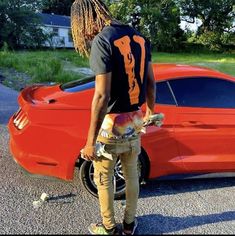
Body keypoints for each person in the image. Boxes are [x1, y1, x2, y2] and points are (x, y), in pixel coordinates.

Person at [71, 0, 156, 234]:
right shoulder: (139, 37)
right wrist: (149, 110)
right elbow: (150, 82)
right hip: (135, 120)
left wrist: (89, 142)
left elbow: (101, 96)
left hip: (111, 125)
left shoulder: (103, 40)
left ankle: (108, 227)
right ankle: (129, 225)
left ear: (85, 18)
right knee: (131, 174)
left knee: (104, 177)